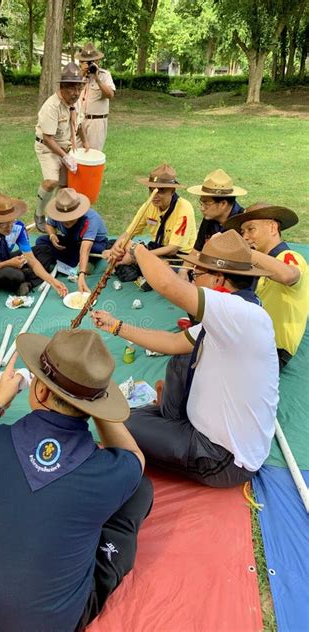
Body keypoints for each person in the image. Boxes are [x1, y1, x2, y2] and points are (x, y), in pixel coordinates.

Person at [0, 328, 153, 632]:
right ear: (95, 406)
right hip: (50, 623)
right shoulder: (109, 471)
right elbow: (135, 459)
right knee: (139, 490)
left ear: (39, 390)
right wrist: (96, 404)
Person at [92, 230, 279, 488]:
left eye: (196, 275)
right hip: (199, 426)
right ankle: (168, 420)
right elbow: (172, 343)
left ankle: (132, 461)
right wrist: (116, 326)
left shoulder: (240, 315)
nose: (192, 280)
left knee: (116, 424)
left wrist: (136, 249)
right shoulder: (233, 316)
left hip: (221, 456)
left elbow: (168, 285)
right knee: (181, 359)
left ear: (218, 279)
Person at [225, 202, 309, 369]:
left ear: (272, 227)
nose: (245, 237)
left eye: (251, 229)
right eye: (242, 232)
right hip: (255, 342)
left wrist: (244, 251)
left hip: (271, 350)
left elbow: (287, 275)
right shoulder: (258, 263)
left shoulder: (289, 256)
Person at [104, 164, 196, 285]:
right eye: (151, 190)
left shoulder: (184, 208)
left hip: (178, 256)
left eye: (161, 191)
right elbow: (128, 233)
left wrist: (137, 256)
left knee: (160, 273)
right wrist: (116, 250)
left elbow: (173, 249)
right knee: (113, 244)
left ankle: (142, 271)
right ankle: (131, 267)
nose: (155, 196)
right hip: (156, 248)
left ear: (172, 191)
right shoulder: (149, 205)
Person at [0, 192, 67, 297]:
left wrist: (52, 281)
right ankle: (23, 277)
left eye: (11, 221)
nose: (9, 227)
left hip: (4, 258)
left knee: (45, 250)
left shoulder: (18, 227)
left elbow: (31, 259)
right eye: (2, 223)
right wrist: (8, 263)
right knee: (16, 275)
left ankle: (28, 283)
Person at [34, 62, 89, 233]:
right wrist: (65, 157)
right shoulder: (51, 107)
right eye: (72, 89)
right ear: (62, 88)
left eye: (79, 88)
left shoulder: (76, 102)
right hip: (48, 148)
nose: (76, 93)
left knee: (66, 187)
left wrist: (86, 143)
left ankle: (59, 219)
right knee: (52, 182)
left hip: (66, 147)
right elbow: (48, 138)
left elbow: (78, 125)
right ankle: (39, 214)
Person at [33, 187, 108, 294]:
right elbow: (49, 225)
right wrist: (52, 236)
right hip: (71, 241)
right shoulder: (56, 212)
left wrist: (82, 274)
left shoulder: (91, 218)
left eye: (71, 218)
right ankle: (78, 263)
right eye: (63, 218)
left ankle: (78, 265)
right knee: (41, 241)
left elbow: (85, 249)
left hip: (93, 244)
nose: (67, 221)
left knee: (83, 249)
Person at [187, 169, 247, 253]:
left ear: (223, 204)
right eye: (201, 203)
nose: (202, 208)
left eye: (206, 203)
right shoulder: (209, 218)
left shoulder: (244, 223)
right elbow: (196, 251)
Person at [77, 42, 115, 151]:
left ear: (97, 61)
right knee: (75, 153)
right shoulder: (78, 75)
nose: (89, 65)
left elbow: (110, 95)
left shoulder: (105, 75)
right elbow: (69, 90)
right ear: (81, 62)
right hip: (80, 120)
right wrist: (81, 74)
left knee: (93, 155)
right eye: (86, 62)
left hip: (96, 122)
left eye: (92, 61)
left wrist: (97, 79)